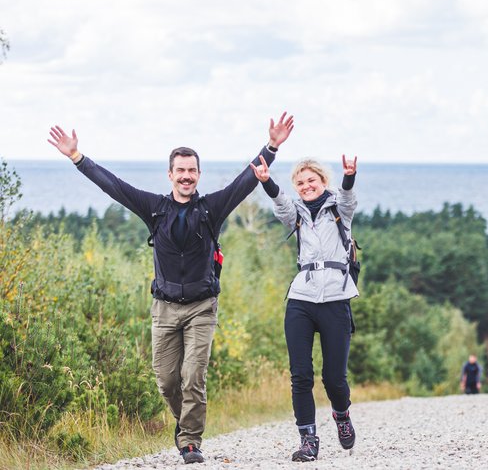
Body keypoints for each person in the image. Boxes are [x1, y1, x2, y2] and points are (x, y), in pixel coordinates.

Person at [46, 113, 294, 464]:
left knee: (193, 375)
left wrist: (270, 147)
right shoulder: (155, 209)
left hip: (201, 306)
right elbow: (113, 186)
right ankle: (186, 422)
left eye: (192, 170)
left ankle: (191, 441)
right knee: (166, 380)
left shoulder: (211, 209)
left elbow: (244, 181)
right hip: (164, 308)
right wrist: (77, 157)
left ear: (198, 174)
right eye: (181, 170)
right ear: (170, 174)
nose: (187, 176)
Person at [250, 154, 359, 463]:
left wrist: (349, 176)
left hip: (336, 298)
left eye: (311, 180)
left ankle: (341, 413)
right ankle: (308, 439)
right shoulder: (295, 213)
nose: (306, 186)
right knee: (300, 374)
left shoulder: (339, 209)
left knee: (334, 378)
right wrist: (266, 181)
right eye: (300, 183)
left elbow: (349, 196)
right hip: (301, 297)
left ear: (323, 182)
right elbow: (281, 203)